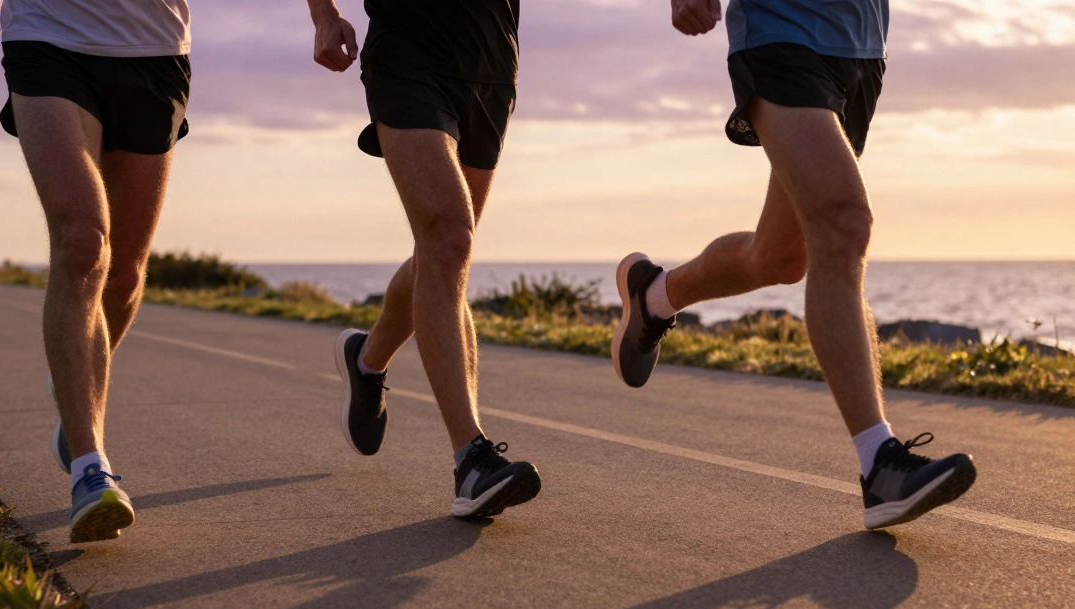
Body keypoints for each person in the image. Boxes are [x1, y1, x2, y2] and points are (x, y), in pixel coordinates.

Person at [612, 0, 975, 529]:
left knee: (781, 255)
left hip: (861, 46)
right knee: (843, 225)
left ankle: (654, 296)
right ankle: (880, 464)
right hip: (782, 30)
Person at [0, 0, 191, 542]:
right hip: (47, 36)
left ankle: (73, 386)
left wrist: (323, 16)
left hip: (154, 46)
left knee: (127, 273)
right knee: (83, 242)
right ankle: (91, 469)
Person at [307, 0, 541, 518]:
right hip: (408, 52)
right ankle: (471, 460)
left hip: (492, 64)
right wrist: (323, 14)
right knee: (450, 239)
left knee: (443, 252)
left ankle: (367, 359)